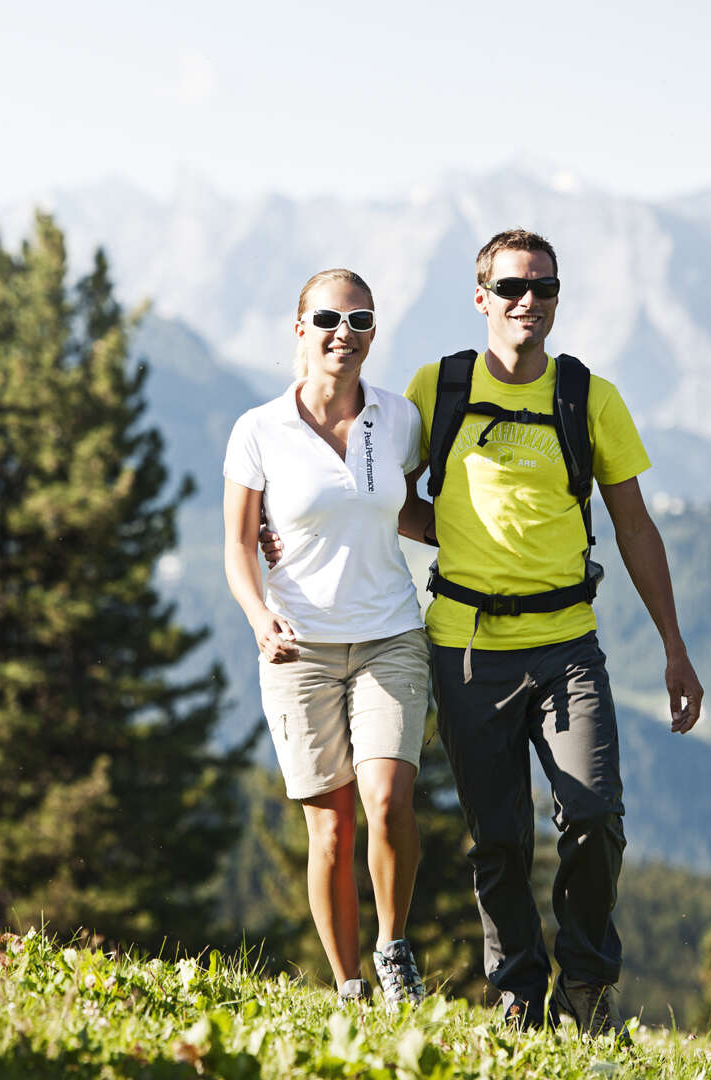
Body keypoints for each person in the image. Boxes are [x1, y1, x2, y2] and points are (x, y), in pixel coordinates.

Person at [263, 231, 704, 1038]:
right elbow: (374, 487)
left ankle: (589, 988)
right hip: (464, 646)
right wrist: (283, 526)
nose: (525, 302)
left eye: (541, 288)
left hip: (570, 642)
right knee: (497, 838)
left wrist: (674, 646)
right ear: (481, 298)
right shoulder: (441, 388)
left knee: (595, 815)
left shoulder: (588, 398)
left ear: (558, 298)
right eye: (509, 288)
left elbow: (635, 527)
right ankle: (517, 998)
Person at [223, 268, 432, 1007]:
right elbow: (240, 543)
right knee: (332, 831)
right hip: (299, 644)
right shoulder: (258, 430)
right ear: (300, 328)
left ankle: (392, 948)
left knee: (387, 801)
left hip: (390, 635)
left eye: (361, 320)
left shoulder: (399, 418)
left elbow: (407, 508)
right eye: (329, 319)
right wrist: (259, 616)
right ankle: (348, 986)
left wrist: (493, 542)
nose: (344, 333)